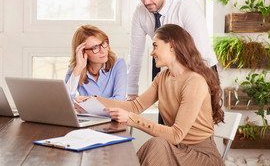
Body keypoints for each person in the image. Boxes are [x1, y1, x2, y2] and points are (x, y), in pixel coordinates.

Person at [76, 24, 225, 166]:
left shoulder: (194, 81)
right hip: (177, 149)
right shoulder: (163, 77)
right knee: (157, 145)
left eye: (155, 46)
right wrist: (94, 100)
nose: (151, 52)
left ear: (172, 45)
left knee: (158, 145)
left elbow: (176, 135)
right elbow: (135, 106)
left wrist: (131, 119)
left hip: (200, 156)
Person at [127, 0, 218, 102]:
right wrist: (132, 91)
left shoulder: (186, 7)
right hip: (171, 75)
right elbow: (135, 55)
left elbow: (200, 52)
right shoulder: (140, 13)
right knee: (164, 123)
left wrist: (192, 84)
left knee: (196, 122)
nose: (146, 2)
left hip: (200, 70)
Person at [65, 24, 127, 101]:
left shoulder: (118, 64)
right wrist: (78, 68)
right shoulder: (76, 68)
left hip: (111, 113)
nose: (103, 51)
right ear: (82, 52)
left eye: (103, 43)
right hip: (84, 113)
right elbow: (65, 101)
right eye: (95, 47)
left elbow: (119, 100)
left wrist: (88, 101)